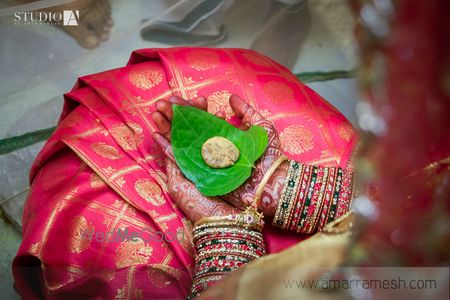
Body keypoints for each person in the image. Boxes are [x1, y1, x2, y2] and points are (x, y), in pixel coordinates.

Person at [13, 47, 356, 298]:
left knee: (91, 219)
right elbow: (404, 211)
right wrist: (280, 187)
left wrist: (223, 232)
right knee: (200, 75)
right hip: (361, 220)